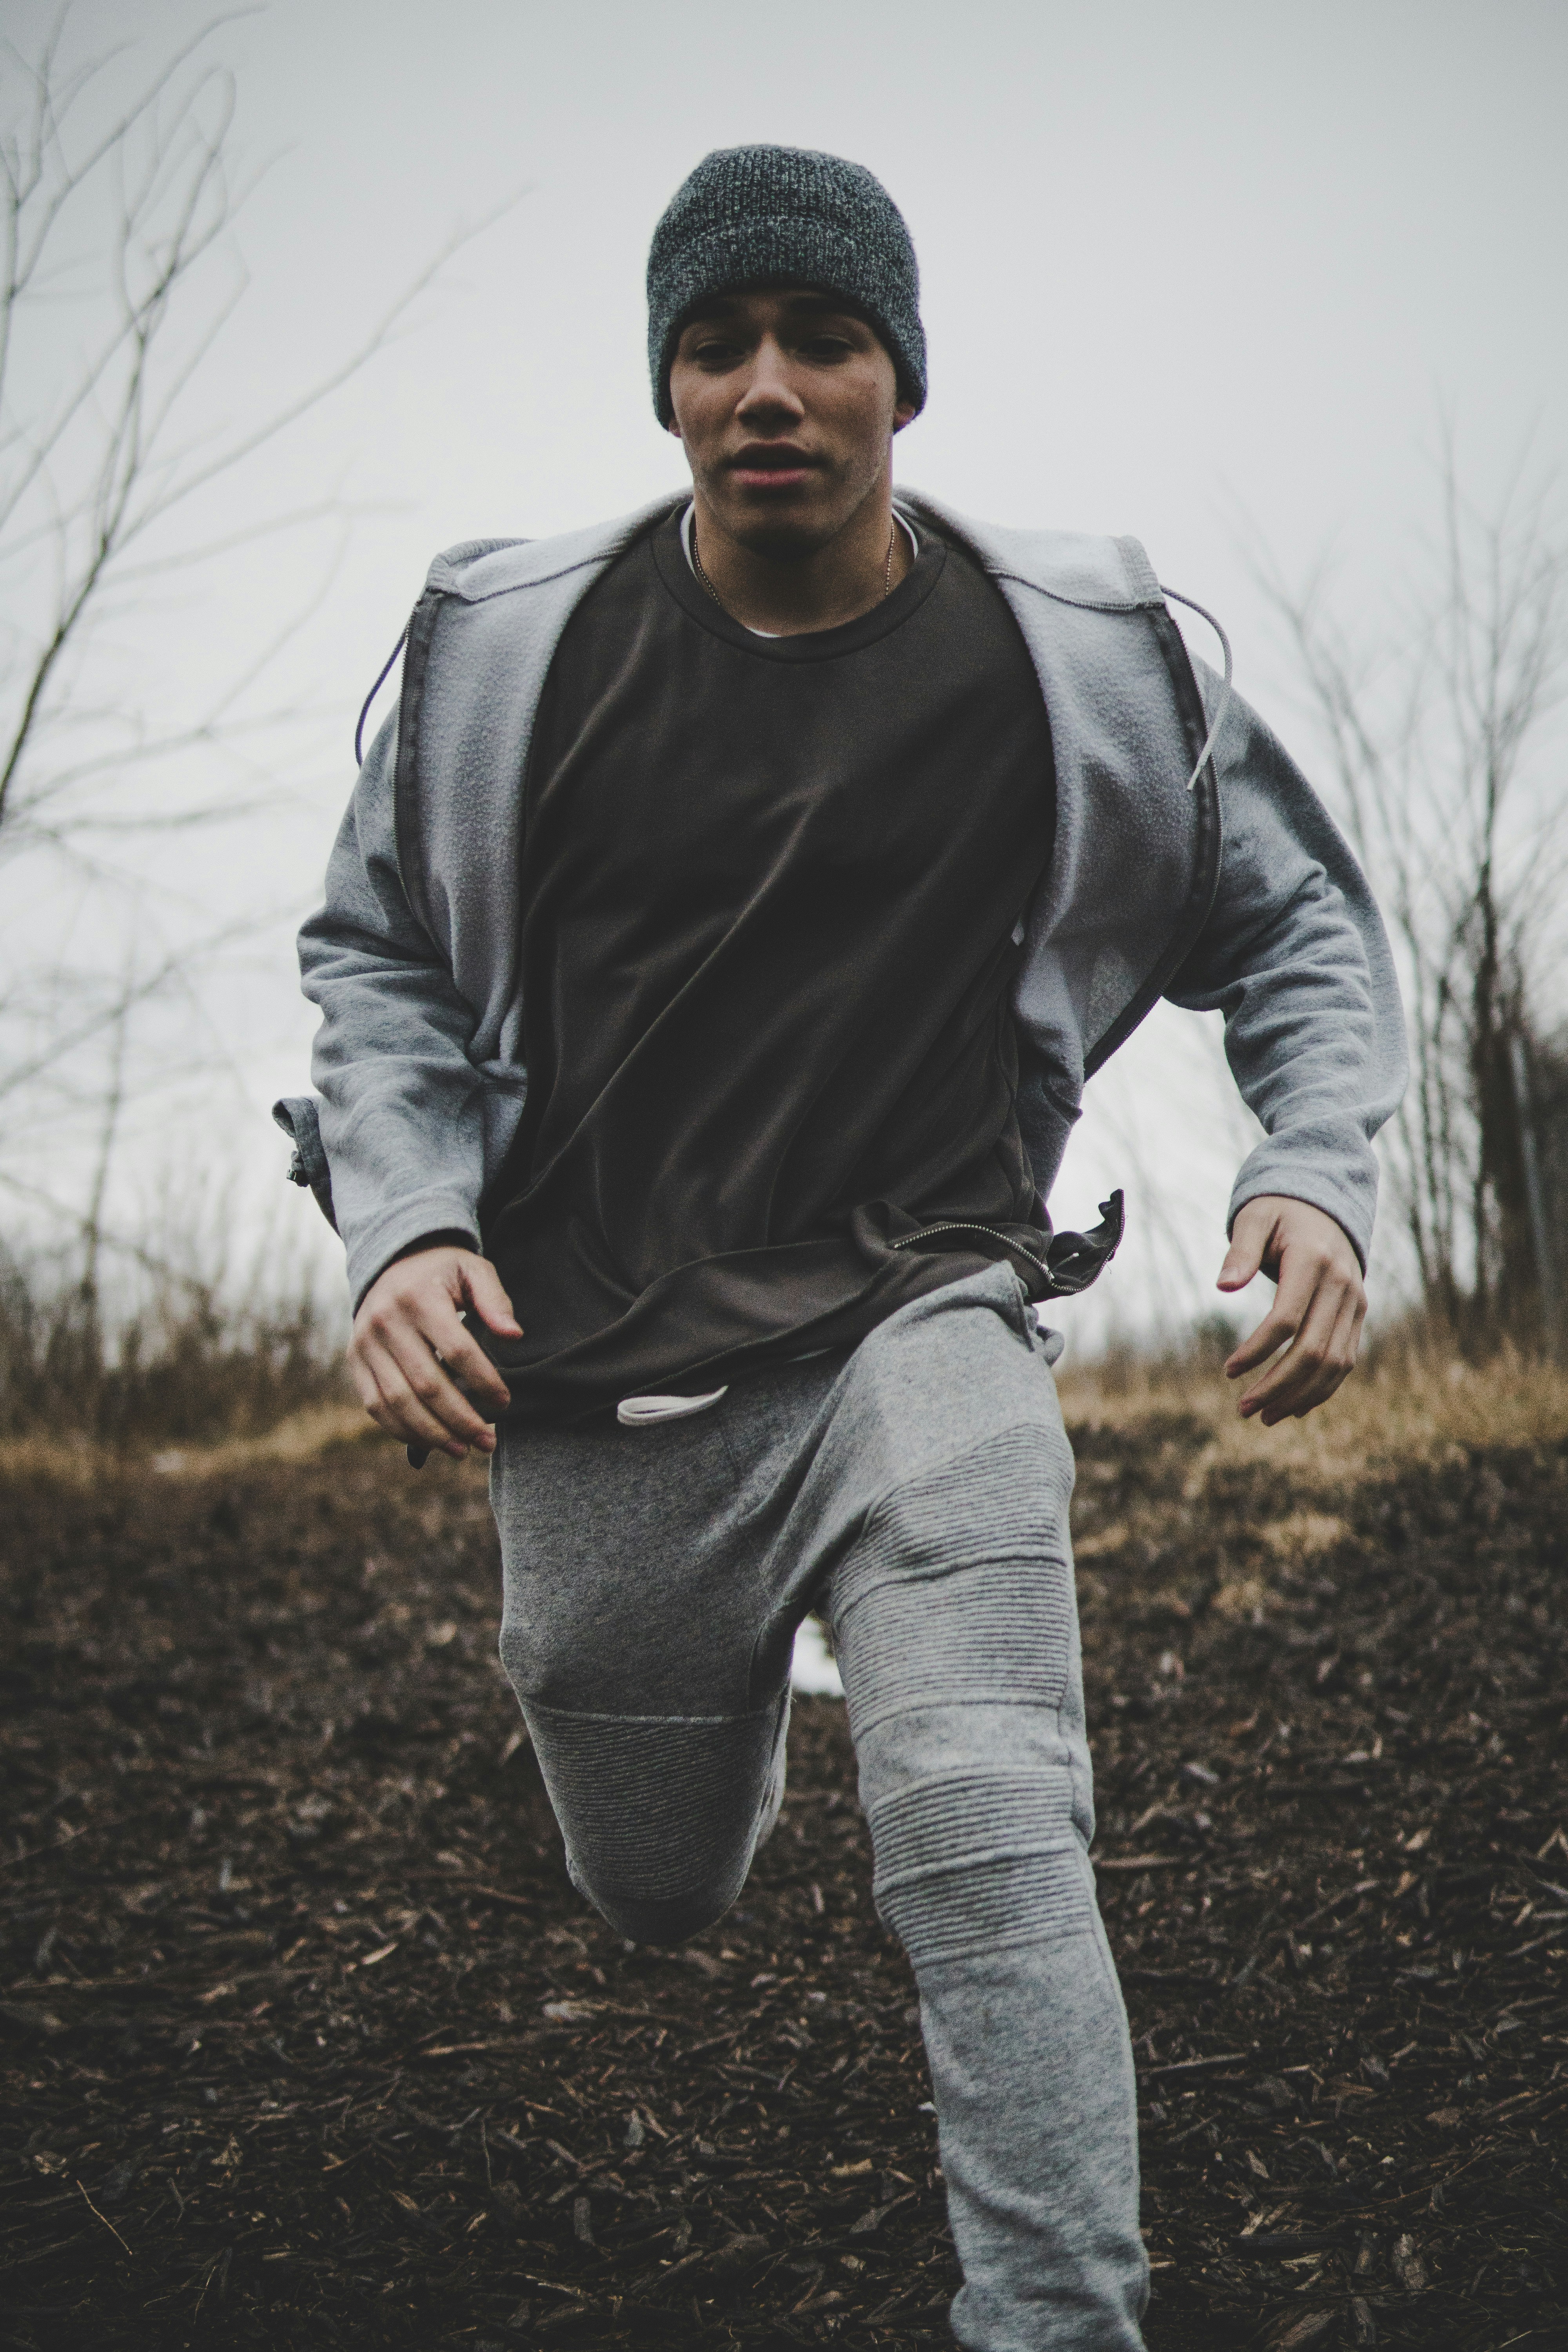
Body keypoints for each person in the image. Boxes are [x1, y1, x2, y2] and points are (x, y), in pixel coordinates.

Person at [278, 145, 1405, 2352]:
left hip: (925, 1312)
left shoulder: (1073, 655)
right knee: (658, 1887)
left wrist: (1318, 1164)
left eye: (821, 338)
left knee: (990, 1824)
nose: (769, 384)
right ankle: (736, 1678)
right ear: (668, 390)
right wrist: (402, 1226)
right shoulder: (514, 660)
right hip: (602, 1380)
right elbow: (376, 952)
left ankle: (1056, 2317)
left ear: (903, 377)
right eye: (720, 344)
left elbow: (1289, 922)